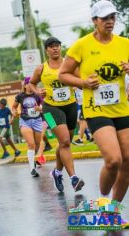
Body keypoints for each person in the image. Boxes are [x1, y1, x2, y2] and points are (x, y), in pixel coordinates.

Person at [59, 0, 129, 206]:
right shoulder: (82, 45)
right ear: (94, 21)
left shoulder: (125, 44)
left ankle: (112, 209)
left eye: (112, 17)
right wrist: (83, 82)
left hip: (122, 108)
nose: (110, 21)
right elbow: (63, 74)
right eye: (105, 18)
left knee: (128, 161)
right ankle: (104, 198)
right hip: (95, 109)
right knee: (114, 160)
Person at [29, 36, 85, 193]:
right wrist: (37, 91)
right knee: (65, 141)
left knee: (64, 143)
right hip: (49, 110)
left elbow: (81, 80)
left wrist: (78, 85)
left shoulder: (69, 65)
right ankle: (74, 178)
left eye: (57, 45)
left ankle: (57, 172)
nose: (55, 48)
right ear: (46, 50)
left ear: (60, 48)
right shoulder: (41, 68)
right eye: (51, 46)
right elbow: (31, 83)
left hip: (70, 107)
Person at [12, 77, 43, 177]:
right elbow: (13, 107)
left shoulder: (38, 95)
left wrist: (40, 108)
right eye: (28, 84)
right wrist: (14, 112)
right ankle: (32, 169)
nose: (30, 86)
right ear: (25, 86)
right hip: (25, 121)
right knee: (31, 144)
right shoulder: (20, 96)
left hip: (37, 121)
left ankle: (33, 160)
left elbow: (44, 106)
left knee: (37, 145)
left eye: (32, 84)